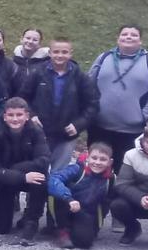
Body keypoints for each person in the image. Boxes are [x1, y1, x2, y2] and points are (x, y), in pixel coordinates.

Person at [88, 24, 148, 172]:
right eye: (124, 34)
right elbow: (88, 85)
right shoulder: (104, 57)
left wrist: (143, 116)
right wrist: (91, 110)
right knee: (96, 168)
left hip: (131, 131)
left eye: (134, 35)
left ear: (140, 41)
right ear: (118, 38)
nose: (128, 37)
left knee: (122, 171)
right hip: (99, 127)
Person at [20, 38, 99, 177]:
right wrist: (31, 115)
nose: (60, 55)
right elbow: (23, 98)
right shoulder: (37, 73)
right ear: (50, 53)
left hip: (67, 135)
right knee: (36, 171)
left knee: (58, 174)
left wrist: (79, 124)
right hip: (39, 132)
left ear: (70, 53)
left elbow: (93, 104)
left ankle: (56, 191)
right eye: (56, 52)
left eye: (64, 52)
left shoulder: (80, 77)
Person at [0, 98, 49, 245]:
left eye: (19, 115)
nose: (15, 119)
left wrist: (17, 170)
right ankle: (4, 211)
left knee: (41, 178)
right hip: (5, 179)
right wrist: (21, 176)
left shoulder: (36, 131)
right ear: (5, 116)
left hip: (29, 176)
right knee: (0, 228)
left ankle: (31, 220)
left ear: (27, 116)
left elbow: (43, 161)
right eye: (11, 115)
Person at [47, 144, 113, 249]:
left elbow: (105, 204)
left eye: (103, 159)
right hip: (66, 205)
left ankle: (72, 230)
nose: (97, 162)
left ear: (110, 162)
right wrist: (69, 199)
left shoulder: (110, 179)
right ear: (88, 157)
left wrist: (96, 226)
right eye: (94, 158)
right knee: (58, 193)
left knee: (85, 242)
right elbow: (53, 180)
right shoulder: (77, 169)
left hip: (84, 211)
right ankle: (61, 230)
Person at [10, 28, 49, 95]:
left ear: (40, 44)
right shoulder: (12, 63)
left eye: (35, 40)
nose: (30, 41)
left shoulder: (46, 64)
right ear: (21, 39)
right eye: (28, 38)